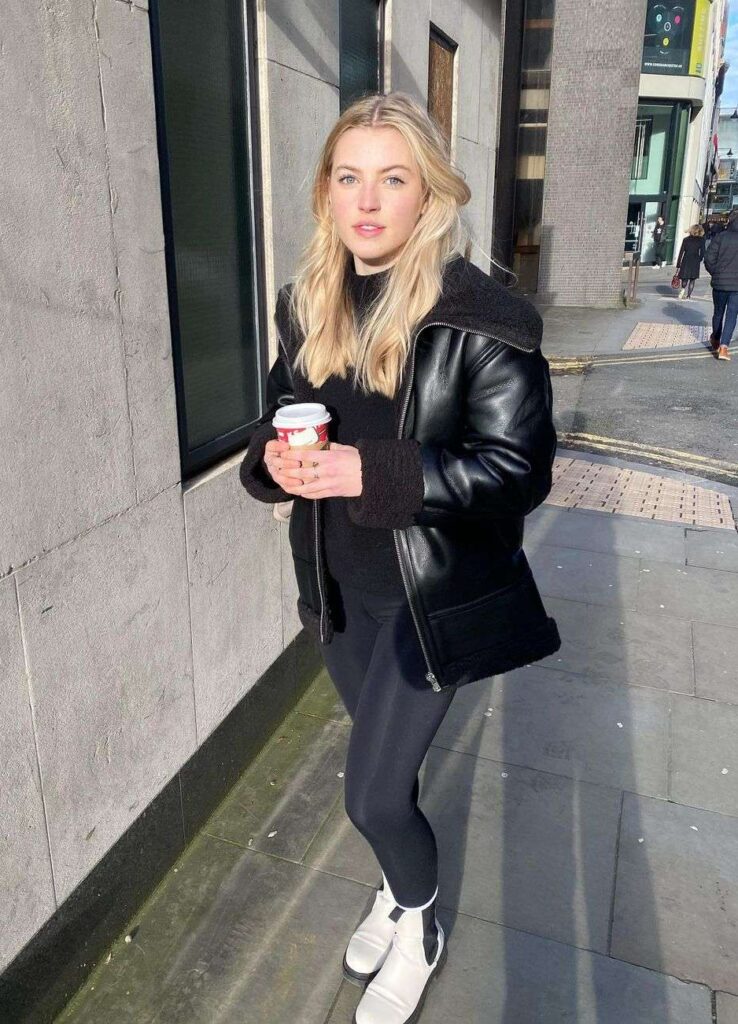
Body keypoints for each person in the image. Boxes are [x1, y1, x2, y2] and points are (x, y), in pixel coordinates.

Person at [239, 91, 560, 1024]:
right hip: (340, 594)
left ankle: (418, 920)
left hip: (433, 601)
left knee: (374, 796)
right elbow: (276, 418)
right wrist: (275, 462)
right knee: (392, 780)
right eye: (349, 177)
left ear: (429, 196)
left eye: (393, 178)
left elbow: (515, 470)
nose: (368, 200)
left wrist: (362, 471)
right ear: (325, 193)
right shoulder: (305, 303)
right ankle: (398, 886)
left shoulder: (485, 316)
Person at [704, 207, 738, 361]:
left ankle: (716, 339)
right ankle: (724, 348)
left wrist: (715, 273)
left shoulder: (720, 237)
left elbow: (709, 258)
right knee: (732, 315)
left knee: (718, 312)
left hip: (719, 283)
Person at [675, 224, 705, 299]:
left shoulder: (686, 239)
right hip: (695, 260)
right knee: (692, 279)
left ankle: (682, 289)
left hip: (686, 259)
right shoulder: (701, 240)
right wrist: (699, 259)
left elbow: (681, 252)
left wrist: (678, 264)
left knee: (685, 277)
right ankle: (688, 296)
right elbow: (703, 252)